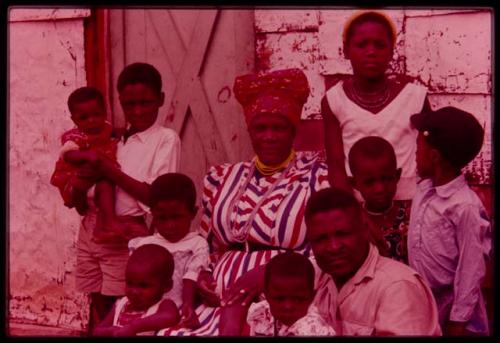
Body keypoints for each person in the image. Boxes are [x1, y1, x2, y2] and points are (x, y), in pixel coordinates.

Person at [159, 68, 330, 336]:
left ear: (293, 130)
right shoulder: (223, 176)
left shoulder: (316, 177)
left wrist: (268, 276)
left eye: (279, 128)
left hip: (281, 303)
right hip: (220, 300)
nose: (269, 136)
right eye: (260, 128)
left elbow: (326, 252)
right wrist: (203, 274)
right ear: (249, 130)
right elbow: (205, 245)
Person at [64, 62, 181, 333]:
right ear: (119, 102)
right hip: (91, 226)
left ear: (161, 99)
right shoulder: (113, 138)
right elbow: (80, 204)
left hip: (124, 229)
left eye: (146, 102)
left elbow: (156, 197)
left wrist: (107, 169)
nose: (137, 111)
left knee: (120, 299)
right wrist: (79, 190)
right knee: (94, 294)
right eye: (130, 104)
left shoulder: (164, 139)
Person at [322, 10, 431, 200]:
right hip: (358, 204)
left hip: (411, 203)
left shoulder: (415, 97)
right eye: (361, 45)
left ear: (392, 51)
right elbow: (336, 167)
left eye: (379, 45)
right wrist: (355, 214)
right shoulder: (334, 100)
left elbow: (430, 157)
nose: (371, 52)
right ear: (346, 50)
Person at [305, 187, 441, 336]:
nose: (333, 247)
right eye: (321, 239)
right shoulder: (314, 278)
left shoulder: (397, 287)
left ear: (365, 230)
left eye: (342, 234)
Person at [408, 106, 491, 335]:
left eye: (418, 148)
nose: (414, 154)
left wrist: (458, 320)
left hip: (452, 308)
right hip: (423, 302)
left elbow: (471, 268)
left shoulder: (465, 206)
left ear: (434, 156)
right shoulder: (423, 191)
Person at [128, 173, 209, 329]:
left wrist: (187, 305)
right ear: (152, 214)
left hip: (178, 309)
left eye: (177, 217)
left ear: (193, 213)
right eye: (162, 218)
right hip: (143, 308)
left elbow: (191, 276)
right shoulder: (144, 245)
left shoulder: (196, 244)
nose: (170, 225)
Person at [50, 87, 124, 243]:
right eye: (84, 118)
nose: (91, 121)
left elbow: (113, 133)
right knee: (103, 185)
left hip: (93, 177)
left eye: (96, 115)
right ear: (74, 120)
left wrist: (120, 133)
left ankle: (104, 223)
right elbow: (68, 154)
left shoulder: (105, 128)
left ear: (104, 112)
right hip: (72, 176)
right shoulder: (74, 136)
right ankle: (108, 221)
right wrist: (86, 155)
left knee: (106, 185)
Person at [92, 244, 180, 336]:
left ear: (166, 286)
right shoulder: (121, 304)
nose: (134, 292)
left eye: (143, 286)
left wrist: (133, 327)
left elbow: (171, 317)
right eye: (129, 283)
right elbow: (97, 330)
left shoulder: (163, 305)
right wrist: (110, 331)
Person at [348, 136, 410, 263]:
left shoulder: (412, 215)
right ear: (354, 184)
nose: (379, 189)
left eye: (386, 179)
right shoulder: (354, 223)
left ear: (397, 176)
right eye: (369, 182)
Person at [246, 251, 336, 336]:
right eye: (279, 298)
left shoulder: (314, 329)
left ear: (311, 297)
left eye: (298, 299)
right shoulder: (262, 313)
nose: (288, 306)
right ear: (267, 295)